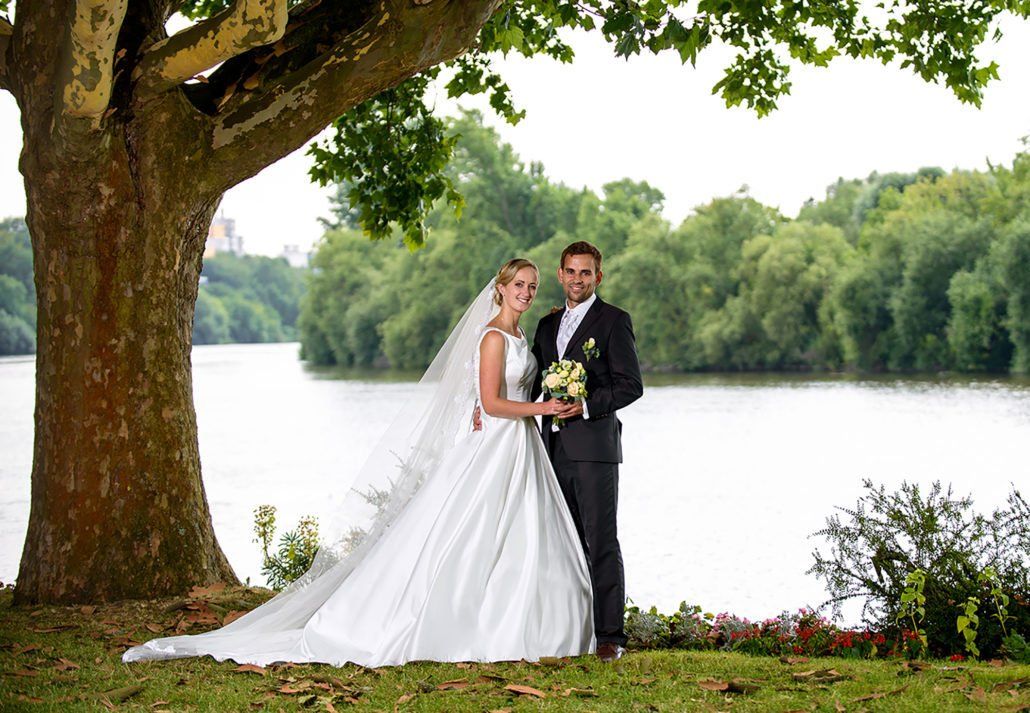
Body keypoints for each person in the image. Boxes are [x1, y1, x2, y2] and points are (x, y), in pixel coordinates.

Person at [122, 259, 594, 668]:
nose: (526, 292)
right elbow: (491, 403)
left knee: (519, 532)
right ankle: (452, 622)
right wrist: (544, 408)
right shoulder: (492, 337)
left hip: (520, 445)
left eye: (533, 286)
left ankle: (515, 619)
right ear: (501, 288)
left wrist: (537, 400)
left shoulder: (520, 334)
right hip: (495, 444)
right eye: (519, 285)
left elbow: (497, 394)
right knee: (469, 532)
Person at [529, 241, 643, 662]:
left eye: (586, 272)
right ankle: (571, 631)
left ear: (598, 276)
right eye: (571, 272)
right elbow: (531, 382)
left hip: (595, 449)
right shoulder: (546, 325)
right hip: (551, 448)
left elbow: (631, 385)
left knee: (601, 540)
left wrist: (587, 404)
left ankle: (610, 637)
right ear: (560, 274)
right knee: (564, 540)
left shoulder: (614, 321)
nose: (578, 279)